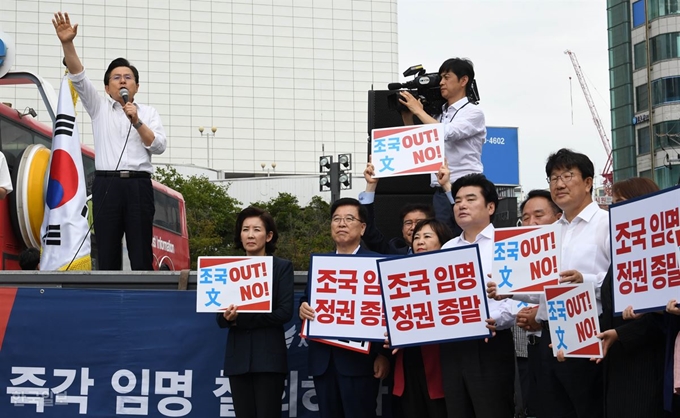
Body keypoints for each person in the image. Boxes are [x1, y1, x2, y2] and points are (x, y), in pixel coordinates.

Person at [53, 12, 167, 271]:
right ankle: (109, 302)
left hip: (139, 186)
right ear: (106, 88)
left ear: (136, 86)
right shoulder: (98, 107)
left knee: (141, 251)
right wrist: (67, 43)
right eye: (116, 78)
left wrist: (137, 121)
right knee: (106, 249)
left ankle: (142, 302)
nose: (122, 81)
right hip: (106, 185)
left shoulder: (148, 113)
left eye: (128, 77)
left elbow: (158, 146)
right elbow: (78, 75)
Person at [530, 148, 609, 418]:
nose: (559, 184)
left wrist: (583, 280)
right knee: (551, 408)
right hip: (550, 331)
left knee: (587, 407)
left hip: (590, 325)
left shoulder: (607, 224)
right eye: (553, 178)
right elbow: (539, 288)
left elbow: (621, 279)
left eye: (567, 175)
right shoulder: (549, 232)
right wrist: (508, 291)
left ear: (588, 183)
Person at [299, 197, 390, 418]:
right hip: (324, 361)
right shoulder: (321, 264)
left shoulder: (378, 263)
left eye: (349, 219)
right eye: (336, 219)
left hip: (361, 363)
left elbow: (388, 312)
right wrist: (303, 308)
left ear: (363, 227)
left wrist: (382, 355)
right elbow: (307, 299)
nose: (341, 223)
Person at [439, 173, 516, 418]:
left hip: (490, 342)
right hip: (452, 345)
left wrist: (499, 320)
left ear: (490, 206)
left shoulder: (507, 243)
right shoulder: (447, 248)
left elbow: (520, 296)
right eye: (458, 200)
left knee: (492, 410)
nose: (461, 205)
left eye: (470, 199)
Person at [488, 189, 563, 418]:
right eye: (526, 217)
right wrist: (507, 295)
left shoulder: (566, 247)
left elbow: (570, 292)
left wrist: (539, 315)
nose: (531, 222)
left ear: (558, 218)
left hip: (559, 345)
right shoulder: (512, 248)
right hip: (524, 348)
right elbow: (519, 295)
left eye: (538, 215)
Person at [595, 177, 666, 418]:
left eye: (621, 203)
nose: (614, 210)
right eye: (612, 204)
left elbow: (665, 318)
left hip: (647, 366)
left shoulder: (661, 251)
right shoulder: (623, 254)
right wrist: (578, 338)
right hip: (616, 366)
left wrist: (622, 334)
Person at [216, 206, 294, 418]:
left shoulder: (281, 268)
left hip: (269, 360)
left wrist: (239, 320)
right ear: (239, 235)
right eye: (245, 229)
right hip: (238, 359)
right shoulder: (228, 268)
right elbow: (219, 318)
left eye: (257, 229)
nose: (250, 235)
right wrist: (228, 318)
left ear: (269, 236)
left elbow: (284, 313)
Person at [398, 58, 485, 235]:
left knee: (467, 236)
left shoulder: (473, 112)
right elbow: (418, 142)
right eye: (440, 78)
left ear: (463, 80)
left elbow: (446, 133)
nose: (441, 82)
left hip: (465, 185)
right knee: (443, 239)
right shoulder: (439, 114)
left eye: (446, 77)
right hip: (440, 189)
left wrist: (418, 111)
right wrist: (407, 116)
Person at [388, 218, 452, 418]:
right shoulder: (398, 275)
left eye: (427, 236)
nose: (420, 242)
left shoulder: (453, 275)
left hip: (441, 361)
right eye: (416, 237)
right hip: (407, 358)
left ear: (443, 242)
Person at [359, 158, 436, 255]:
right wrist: (371, 185)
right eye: (408, 223)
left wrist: (446, 186)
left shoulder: (445, 252)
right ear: (402, 229)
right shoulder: (393, 253)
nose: (413, 227)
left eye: (419, 222)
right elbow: (368, 231)